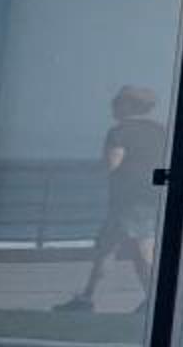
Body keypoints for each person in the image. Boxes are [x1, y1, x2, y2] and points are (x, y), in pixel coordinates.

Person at [57, 87, 163, 314]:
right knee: (110, 248)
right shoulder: (160, 131)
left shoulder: (119, 132)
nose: (113, 106)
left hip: (127, 199)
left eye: (117, 102)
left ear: (128, 105)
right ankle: (87, 297)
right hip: (152, 195)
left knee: (139, 251)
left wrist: (94, 169)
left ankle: (156, 301)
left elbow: (111, 164)